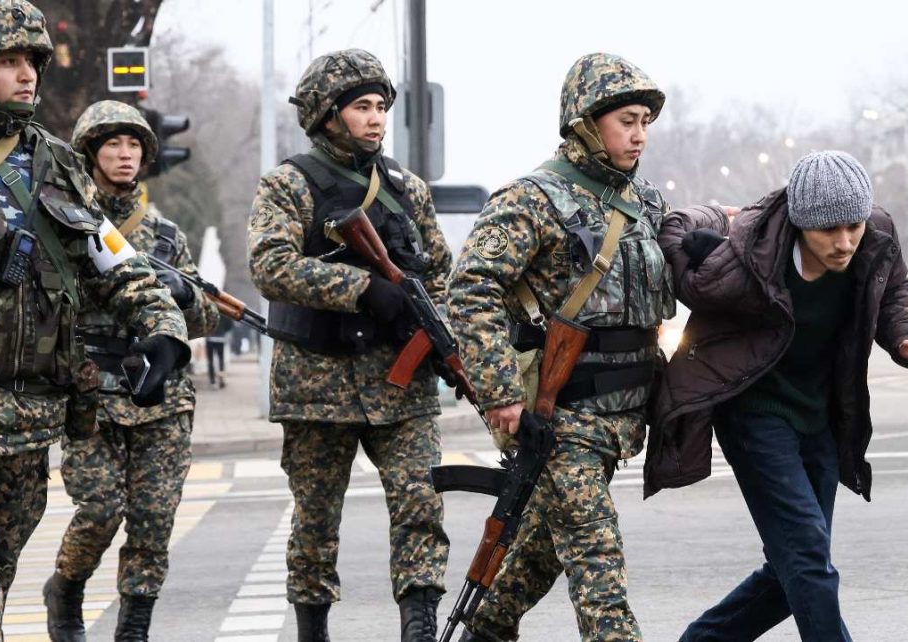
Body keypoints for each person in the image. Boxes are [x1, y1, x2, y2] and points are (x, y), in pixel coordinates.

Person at [0, 3, 189, 641]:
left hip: (27, 417)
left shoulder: (59, 165)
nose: (27, 76)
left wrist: (164, 330)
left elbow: (116, 263)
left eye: (32, 62)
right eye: (8, 61)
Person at [646, 151, 908, 641]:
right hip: (754, 411)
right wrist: (721, 215)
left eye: (852, 226)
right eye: (829, 231)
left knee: (795, 564)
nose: (844, 242)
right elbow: (675, 230)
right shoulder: (752, 249)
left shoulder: (875, 237)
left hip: (822, 413)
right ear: (799, 223)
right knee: (808, 555)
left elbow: (894, 296)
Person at [446, 52, 675, 642]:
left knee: (539, 554)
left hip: (621, 419)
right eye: (627, 120)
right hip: (561, 420)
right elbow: (471, 290)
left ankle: (487, 630)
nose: (640, 134)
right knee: (600, 570)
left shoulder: (645, 203)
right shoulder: (532, 199)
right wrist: (500, 397)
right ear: (584, 122)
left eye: (646, 121)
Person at [247, 48, 452, 642]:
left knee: (421, 503)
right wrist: (362, 289)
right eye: (361, 106)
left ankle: (419, 623)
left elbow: (439, 270)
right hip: (317, 384)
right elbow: (270, 265)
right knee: (316, 523)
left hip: (401, 383)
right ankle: (314, 630)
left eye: (381, 106)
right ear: (326, 114)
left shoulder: (406, 189)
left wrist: (431, 325)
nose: (376, 118)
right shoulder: (288, 184)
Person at [42, 100, 220, 642]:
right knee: (100, 508)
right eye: (113, 144)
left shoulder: (165, 234)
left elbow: (206, 316)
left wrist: (185, 291)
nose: (125, 155)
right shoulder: (66, 220)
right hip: (92, 391)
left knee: (153, 520)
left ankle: (134, 629)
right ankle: (66, 588)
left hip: (159, 395)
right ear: (90, 152)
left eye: (135, 145)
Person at [206, 315, 232, 388]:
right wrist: (223, 331)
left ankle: (212, 380)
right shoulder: (224, 311)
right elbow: (230, 324)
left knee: (210, 360)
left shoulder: (209, 308)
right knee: (221, 359)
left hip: (210, 338)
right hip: (221, 338)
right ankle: (221, 378)